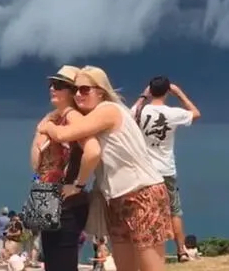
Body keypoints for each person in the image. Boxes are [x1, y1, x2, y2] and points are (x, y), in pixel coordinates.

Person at [39, 65, 173, 271]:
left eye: (85, 89)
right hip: (116, 199)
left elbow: (72, 140)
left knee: (151, 267)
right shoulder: (91, 115)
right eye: (75, 89)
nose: (78, 94)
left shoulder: (108, 110)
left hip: (142, 193)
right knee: (124, 266)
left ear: (101, 91)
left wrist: (48, 125)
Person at [31, 66, 98, 271]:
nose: (52, 88)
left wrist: (78, 185)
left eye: (59, 85)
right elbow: (36, 163)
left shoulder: (73, 117)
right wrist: (45, 127)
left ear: (71, 91)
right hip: (48, 196)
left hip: (65, 200)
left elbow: (93, 152)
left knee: (62, 262)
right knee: (52, 261)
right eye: (52, 84)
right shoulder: (55, 118)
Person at [131, 76, 201, 262]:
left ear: (150, 91)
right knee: (174, 211)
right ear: (167, 92)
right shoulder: (172, 113)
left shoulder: (139, 111)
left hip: (144, 171)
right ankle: (181, 250)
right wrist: (179, 94)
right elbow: (195, 113)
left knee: (144, 212)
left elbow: (130, 114)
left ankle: (144, 254)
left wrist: (142, 96)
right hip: (166, 170)